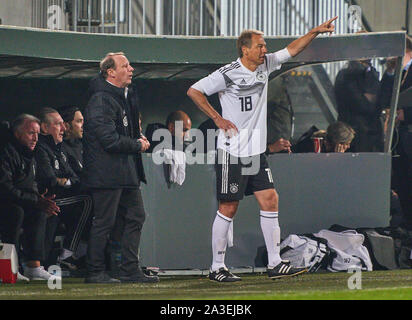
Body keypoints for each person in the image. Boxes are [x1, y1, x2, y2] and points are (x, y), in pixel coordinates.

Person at [187, 17, 338, 282]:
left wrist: (314, 31)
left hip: (256, 152)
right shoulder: (228, 72)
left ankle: (275, 263)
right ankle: (217, 267)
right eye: (259, 46)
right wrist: (217, 118)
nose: (264, 50)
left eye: (265, 45)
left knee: (271, 200)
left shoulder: (266, 64)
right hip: (232, 151)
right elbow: (195, 91)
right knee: (229, 207)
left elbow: (292, 49)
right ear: (245, 49)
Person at [82, 52, 157, 283]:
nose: (131, 69)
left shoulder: (122, 96)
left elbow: (123, 132)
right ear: (110, 72)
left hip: (126, 171)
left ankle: (129, 268)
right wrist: (137, 144)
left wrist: (138, 136)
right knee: (104, 222)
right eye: (125, 66)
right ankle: (95, 271)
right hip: (106, 173)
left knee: (136, 216)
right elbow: (108, 140)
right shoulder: (101, 100)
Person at [0, 114, 60, 281]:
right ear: (17, 134)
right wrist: (35, 200)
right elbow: (5, 189)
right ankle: (9, 267)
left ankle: (33, 267)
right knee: (15, 212)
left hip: (17, 200)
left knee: (39, 212)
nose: (35, 138)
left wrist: (39, 200)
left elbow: (29, 184)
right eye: (31, 133)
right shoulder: (5, 152)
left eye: (38, 134)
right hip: (6, 202)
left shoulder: (31, 154)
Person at [35, 108, 92, 271]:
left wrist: (64, 181)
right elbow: (50, 180)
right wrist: (62, 180)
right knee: (87, 199)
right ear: (45, 128)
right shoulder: (41, 148)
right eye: (58, 124)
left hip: (58, 197)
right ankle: (68, 254)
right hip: (47, 199)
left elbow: (73, 177)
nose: (63, 128)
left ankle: (78, 255)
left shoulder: (58, 149)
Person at [379, 36, 412, 228]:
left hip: (408, 131)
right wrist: (390, 73)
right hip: (397, 140)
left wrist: (405, 114)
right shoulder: (394, 73)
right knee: (401, 181)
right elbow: (382, 98)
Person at [334, 33, 382, 152]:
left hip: (370, 134)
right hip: (355, 135)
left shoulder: (372, 72)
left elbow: (379, 100)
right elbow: (364, 104)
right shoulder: (347, 75)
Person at [59, 106, 84, 176]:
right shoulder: (60, 148)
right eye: (79, 121)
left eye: (83, 121)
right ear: (66, 126)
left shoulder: (82, 146)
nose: (82, 125)